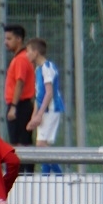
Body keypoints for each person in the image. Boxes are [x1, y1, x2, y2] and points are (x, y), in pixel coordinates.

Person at [25, 37, 65, 176]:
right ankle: (46, 176)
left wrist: (40, 114)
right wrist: (34, 116)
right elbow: (39, 96)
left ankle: (59, 175)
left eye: (28, 51)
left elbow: (49, 93)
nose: (27, 54)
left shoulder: (48, 68)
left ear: (36, 52)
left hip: (51, 109)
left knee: (41, 145)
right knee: (42, 144)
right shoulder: (38, 69)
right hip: (44, 110)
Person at [3, 23, 36, 174]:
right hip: (21, 105)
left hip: (20, 106)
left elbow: (20, 82)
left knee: (20, 143)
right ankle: (24, 172)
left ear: (19, 39)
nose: (6, 42)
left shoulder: (21, 59)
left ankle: (22, 173)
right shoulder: (20, 58)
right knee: (22, 141)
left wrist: (14, 106)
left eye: (9, 39)